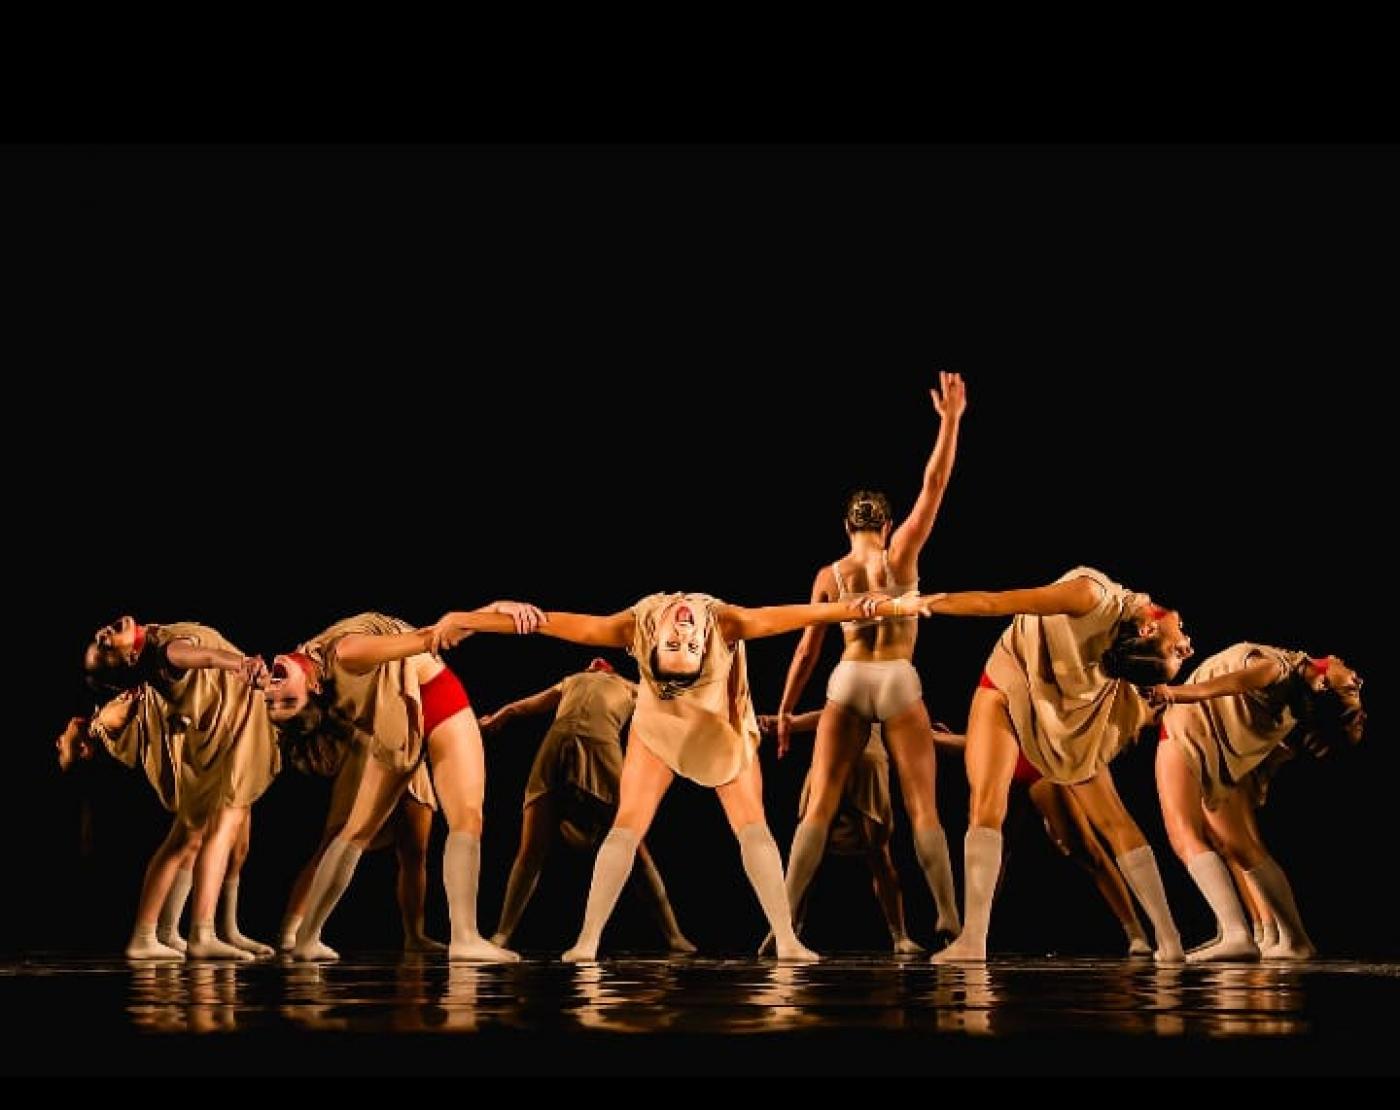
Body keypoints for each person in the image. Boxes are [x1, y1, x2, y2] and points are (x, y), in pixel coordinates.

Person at [428, 587, 912, 961]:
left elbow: (551, 624)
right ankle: (587, 940)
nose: (683, 631)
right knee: (628, 826)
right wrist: (864, 607)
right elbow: (803, 615)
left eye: (676, 642)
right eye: (686, 642)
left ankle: (785, 938)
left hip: (715, 728)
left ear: (649, 646)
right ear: (705, 645)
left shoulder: (634, 627)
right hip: (664, 721)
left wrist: (465, 619)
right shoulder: (724, 624)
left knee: (750, 825)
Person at [888, 568, 1196, 963]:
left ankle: (1166, 937)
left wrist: (913, 602)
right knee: (988, 807)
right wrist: (923, 604)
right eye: (1179, 652)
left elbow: (995, 602)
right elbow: (996, 603)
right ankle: (973, 940)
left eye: (1178, 653)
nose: (1187, 647)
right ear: (1148, 631)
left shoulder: (1095, 599)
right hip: (1023, 681)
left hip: (1057, 704)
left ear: (1148, 633)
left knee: (1103, 825)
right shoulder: (1090, 599)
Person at [775, 372, 967, 945]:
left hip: (848, 676)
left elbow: (808, 648)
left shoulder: (829, 575)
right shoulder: (901, 555)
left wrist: (785, 712)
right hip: (898, 678)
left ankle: (783, 925)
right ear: (885, 525)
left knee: (819, 805)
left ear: (846, 526)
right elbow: (933, 486)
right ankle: (949, 918)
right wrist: (951, 420)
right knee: (923, 808)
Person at [263, 605, 543, 962]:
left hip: (395, 722)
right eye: (286, 701)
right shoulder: (344, 653)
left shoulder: (309, 657)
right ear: (314, 686)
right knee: (464, 817)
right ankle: (465, 938)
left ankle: (306, 940)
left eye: (273, 700)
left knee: (357, 832)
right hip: (435, 699)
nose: (273, 690)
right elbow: (431, 637)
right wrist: (491, 613)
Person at [79, 615, 280, 960]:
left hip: (225, 732)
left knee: (206, 836)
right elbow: (204, 657)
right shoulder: (164, 653)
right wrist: (243, 664)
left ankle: (173, 930)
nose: (102, 633)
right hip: (220, 741)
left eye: (99, 639)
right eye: (104, 645)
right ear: (129, 660)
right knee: (195, 836)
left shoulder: (155, 644)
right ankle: (189, 933)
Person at [1152, 646, 1365, 961]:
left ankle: (1237, 933)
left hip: (1189, 733)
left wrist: (1172, 693)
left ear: (1321, 685)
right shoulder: (1294, 698)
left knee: (1182, 833)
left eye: (1351, 687)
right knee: (1239, 845)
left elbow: (1229, 684)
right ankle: (1294, 939)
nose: (1358, 680)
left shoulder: (1276, 670)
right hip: (1216, 747)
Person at [478, 657, 694, 953]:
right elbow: (524, 705)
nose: (597, 659)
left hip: (602, 751)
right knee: (530, 848)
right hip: (555, 749)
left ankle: (673, 935)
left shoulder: (632, 688)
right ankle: (502, 933)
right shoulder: (571, 681)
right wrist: (499, 717)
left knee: (635, 847)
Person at [757, 711, 925, 954]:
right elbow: (834, 710)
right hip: (841, 754)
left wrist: (789, 722)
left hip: (855, 755)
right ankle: (785, 931)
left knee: (873, 853)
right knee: (815, 855)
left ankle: (899, 936)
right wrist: (789, 723)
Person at [276, 724, 444, 954]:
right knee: (332, 845)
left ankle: (415, 935)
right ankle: (291, 929)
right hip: (369, 749)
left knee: (414, 850)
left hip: (410, 750)